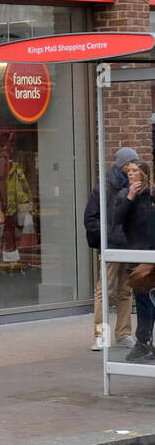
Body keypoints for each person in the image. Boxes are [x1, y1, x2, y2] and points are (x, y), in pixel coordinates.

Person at [83, 146, 138, 350]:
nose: (134, 167)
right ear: (124, 165)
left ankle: (123, 333)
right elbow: (91, 218)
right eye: (131, 164)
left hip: (130, 246)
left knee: (125, 290)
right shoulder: (104, 187)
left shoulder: (136, 185)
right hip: (112, 246)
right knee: (104, 290)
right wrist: (109, 236)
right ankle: (100, 336)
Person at [112, 158, 155, 362]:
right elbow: (117, 218)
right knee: (144, 301)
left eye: (135, 170)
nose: (130, 173)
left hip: (151, 254)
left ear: (144, 174)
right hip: (137, 258)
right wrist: (130, 196)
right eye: (128, 170)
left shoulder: (151, 197)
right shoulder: (124, 195)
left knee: (149, 301)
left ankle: (145, 343)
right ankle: (143, 342)